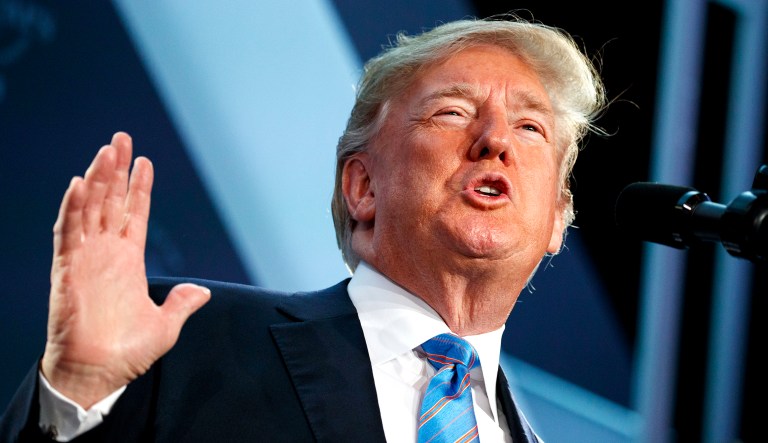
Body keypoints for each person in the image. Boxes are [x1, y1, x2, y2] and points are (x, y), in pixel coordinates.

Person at [0, 14, 606, 443]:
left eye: (531, 128)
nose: (495, 140)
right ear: (362, 187)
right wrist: (74, 393)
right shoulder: (181, 338)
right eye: (452, 111)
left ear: (557, 219)